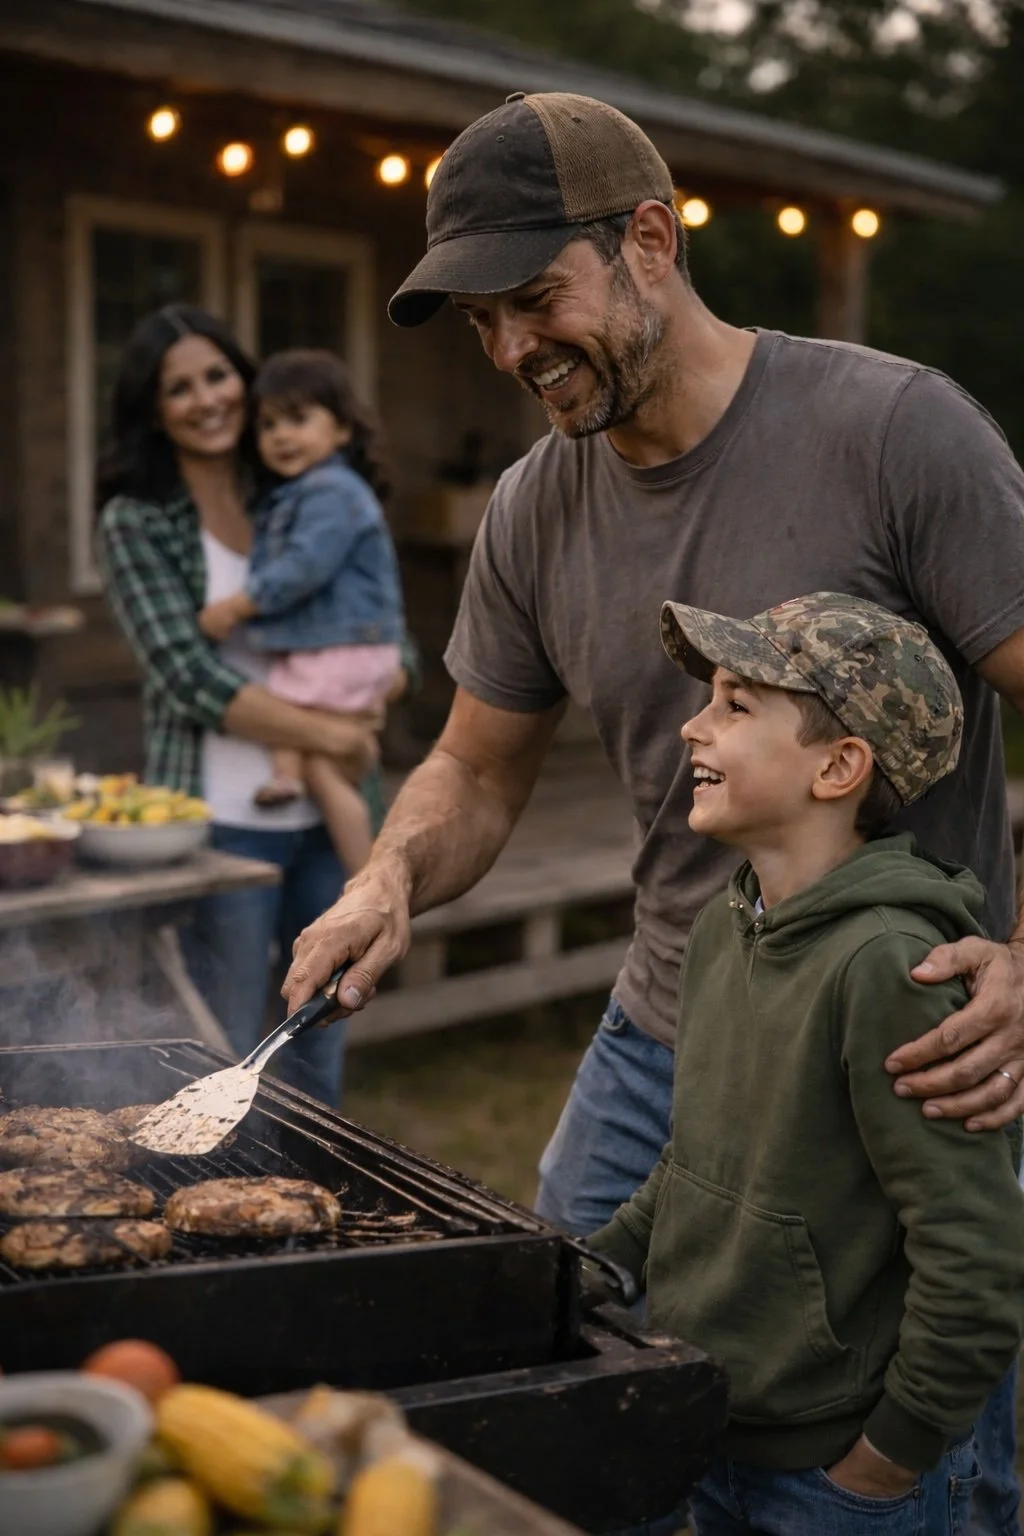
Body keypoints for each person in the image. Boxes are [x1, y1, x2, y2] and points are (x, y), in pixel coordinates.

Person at [283, 93, 1024, 1528]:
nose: (510, 353)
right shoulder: (532, 508)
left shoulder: (895, 428)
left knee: (883, 1460)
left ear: (650, 241)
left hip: (891, 1047)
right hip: (666, 1033)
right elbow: (479, 767)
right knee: (554, 1393)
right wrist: (387, 875)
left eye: (535, 301)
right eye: (483, 324)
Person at [587, 591, 1024, 1536]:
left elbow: (976, 1257)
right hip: (717, 1427)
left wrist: (884, 1460)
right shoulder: (722, 927)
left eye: (736, 705)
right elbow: (698, 1158)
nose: (692, 725)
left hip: (837, 1480)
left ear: (837, 767)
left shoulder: (888, 970)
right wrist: (594, 1267)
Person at [96, 305, 386, 1106]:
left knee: (317, 1044)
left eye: (217, 375)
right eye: (178, 388)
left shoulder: (300, 490)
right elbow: (188, 676)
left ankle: (313, 1217)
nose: (206, 398)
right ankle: (219, 1208)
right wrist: (331, 730)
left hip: (327, 821)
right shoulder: (136, 522)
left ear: (245, 378)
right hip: (221, 827)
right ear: (152, 410)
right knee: (219, 1046)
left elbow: (375, 613)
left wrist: (390, 679)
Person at [197, 350, 404, 874]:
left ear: (340, 430)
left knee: (296, 722)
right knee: (320, 759)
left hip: (344, 649)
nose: (281, 435)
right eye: (267, 425)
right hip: (342, 647)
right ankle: (293, 783)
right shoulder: (302, 493)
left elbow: (304, 566)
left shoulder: (331, 493)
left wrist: (240, 605)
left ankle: (367, 877)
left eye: (298, 419)